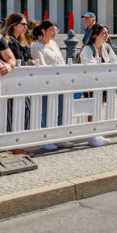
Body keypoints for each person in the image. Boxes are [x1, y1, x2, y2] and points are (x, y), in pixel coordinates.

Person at [31, 20, 73, 151]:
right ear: (43, 31)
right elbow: (41, 65)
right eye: (52, 30)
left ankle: (60, 137)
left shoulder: (54, 43)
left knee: (61, 109)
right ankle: (46, 138)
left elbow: (61, 60)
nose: (55, 33)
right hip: (46, 81)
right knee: (47, 110)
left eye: (56, 30)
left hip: (60, 80)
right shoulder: (36, 46)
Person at [76, 23, 116, 147]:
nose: (106, 35)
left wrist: (106, 64)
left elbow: (115, 60)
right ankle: (91, 135)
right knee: (91, 108)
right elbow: (92, 66)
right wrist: (107, 63)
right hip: (90, 83)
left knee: (100, 106)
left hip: (103, 82)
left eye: (107, 33)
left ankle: (97, 132)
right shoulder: (88, 49)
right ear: (95, 35)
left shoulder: (106, 47)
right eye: (103, 33)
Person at [0, 13, 35, 153]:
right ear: (15, 25)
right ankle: (13, 146)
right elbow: (16, 61)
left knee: (25, 111)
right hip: (12, 81)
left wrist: (29, 62)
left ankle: (17, 144)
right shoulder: (8, 40)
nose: (26, 27)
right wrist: (29, 63)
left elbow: (27, 58)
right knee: (14, 113)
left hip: (22, 81)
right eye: (24, 24)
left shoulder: (22, 40)